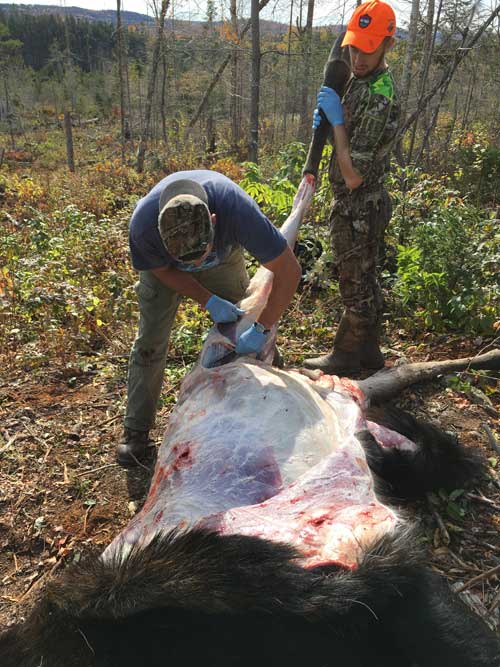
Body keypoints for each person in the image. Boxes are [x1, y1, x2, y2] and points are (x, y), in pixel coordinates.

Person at [117, 170, 301, 467]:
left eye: (200, 256)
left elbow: (289, 271)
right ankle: (136, 430)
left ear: (214, 221)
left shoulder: (236, 210)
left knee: (244, 322)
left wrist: (261, 327)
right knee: (150, 342)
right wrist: (207, 299)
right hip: (164, 271)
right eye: (188, 261)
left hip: (224, 258)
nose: (196, 266)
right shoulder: (143, 227)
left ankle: (269, 404)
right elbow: (163, 270)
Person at [304, 0, 400, 376]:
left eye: (369, 48)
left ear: (388, 45)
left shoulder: (380, 95)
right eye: (354, 46)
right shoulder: (362, 81)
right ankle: (369, 356)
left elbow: (354, 174)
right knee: (361, 280)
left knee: (355, 286)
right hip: (353, 205)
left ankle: (348, 356)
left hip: (360, 204)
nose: (358, 57)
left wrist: (338, 123)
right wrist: (330, 119)